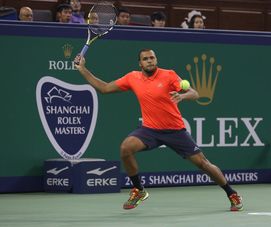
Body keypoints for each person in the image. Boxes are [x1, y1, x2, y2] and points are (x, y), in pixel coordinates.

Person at [73, 49, 243, 211]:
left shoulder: (169, 75)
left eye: (152, 58)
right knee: (126, 148)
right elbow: (104, 88)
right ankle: (139, 190)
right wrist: (83, 69)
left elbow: (195, 93)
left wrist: (182, 96)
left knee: (203, 164)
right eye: (145, 59)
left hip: (175, 131)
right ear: (140, 63)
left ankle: (232, 193)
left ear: (156, 60)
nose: (149, 61)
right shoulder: (132, 77)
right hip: (149, 130)